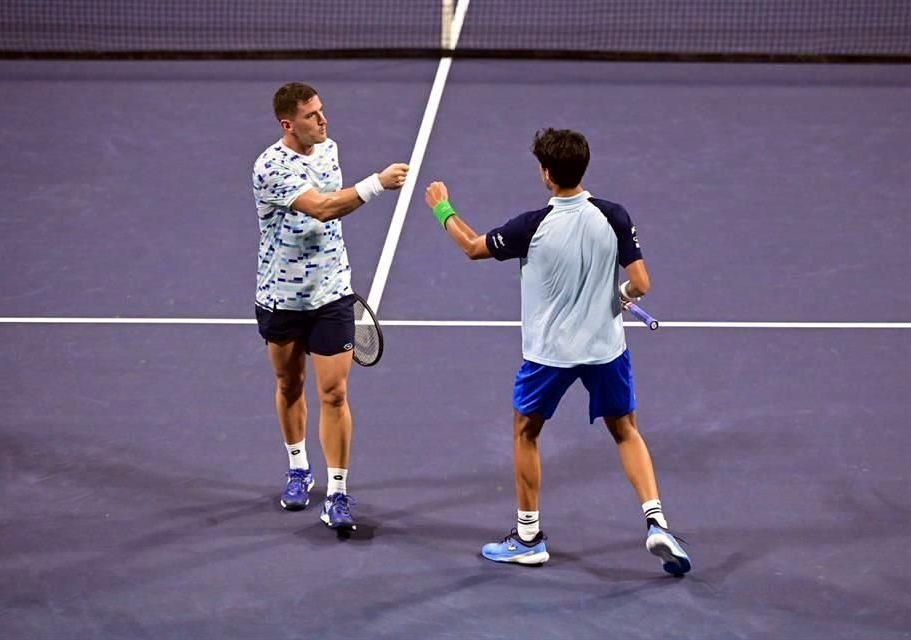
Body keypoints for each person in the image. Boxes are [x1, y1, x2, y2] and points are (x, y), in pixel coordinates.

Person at [423, 128, 691, 575]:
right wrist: (621, 294)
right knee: (626, 431)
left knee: (526, 432)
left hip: (549, 355)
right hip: (606, 348)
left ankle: (528, 537)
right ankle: (656, 522)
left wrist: (442, 208)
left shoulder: (531, 226)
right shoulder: (614, 215)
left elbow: (473, 248)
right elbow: (641, 284)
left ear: (546, 174)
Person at [251, 82, 408, 533]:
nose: (323, 121)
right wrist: (377, 183)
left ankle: (337, 493)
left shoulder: (328, 149)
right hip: (280, 296)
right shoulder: (269, 167)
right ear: (288, 124)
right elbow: (320, 208)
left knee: (335, 394)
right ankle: (298, 466)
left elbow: (336, 211)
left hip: (331, 295)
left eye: (322, 112)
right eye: (312, 116)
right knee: (288, 383)